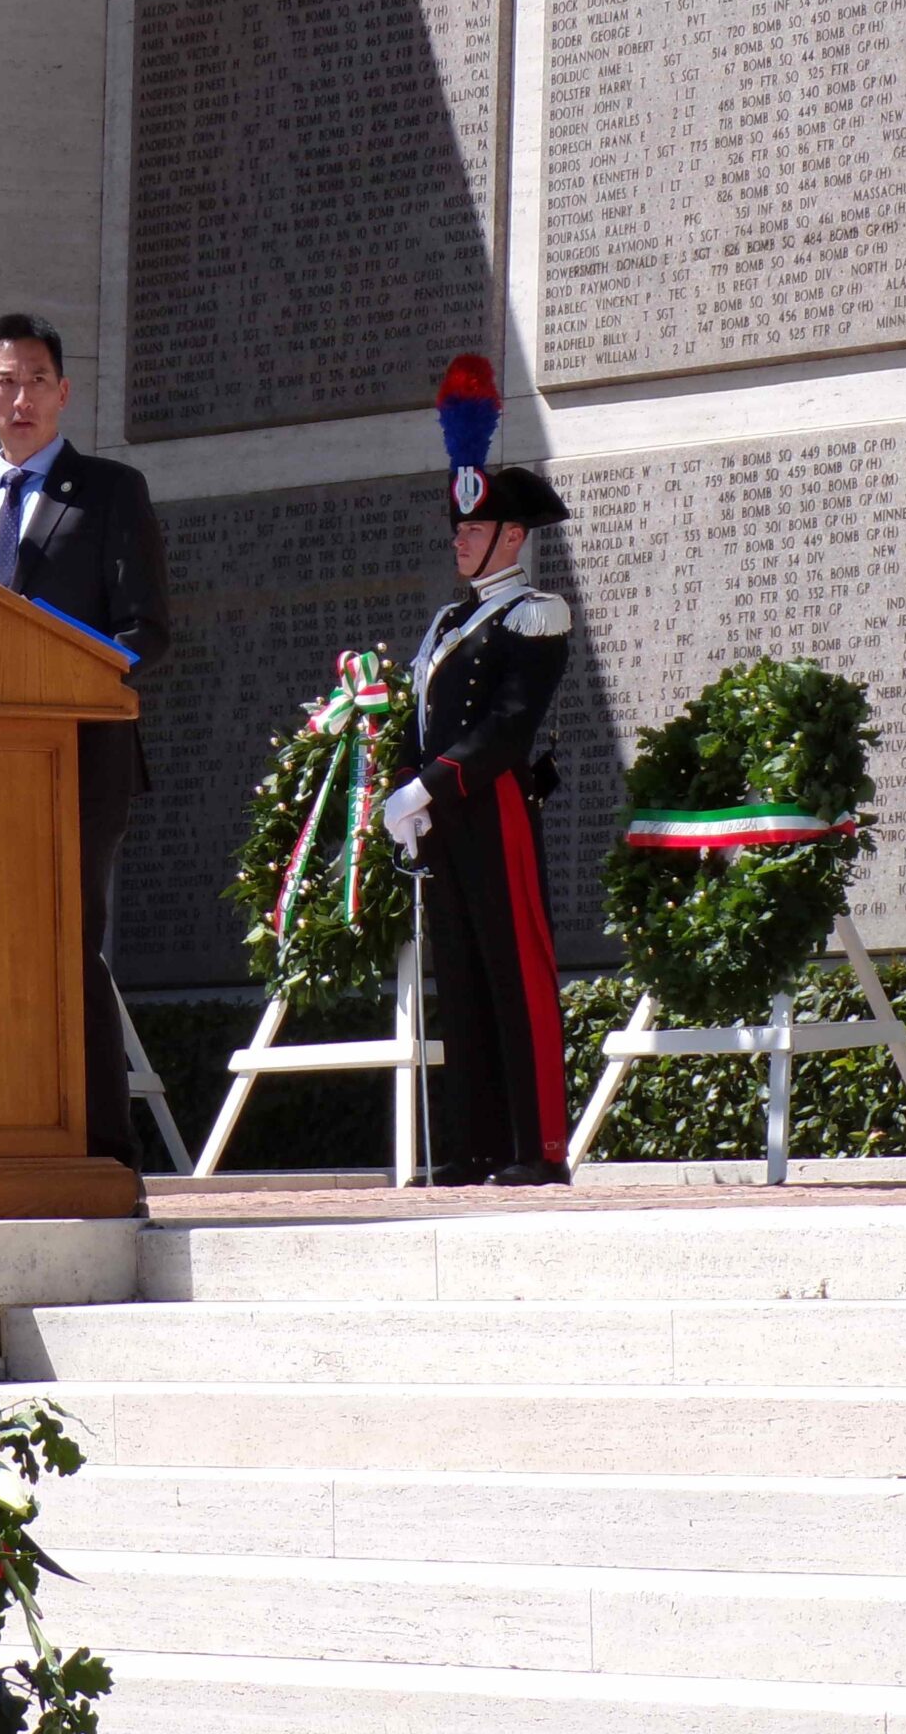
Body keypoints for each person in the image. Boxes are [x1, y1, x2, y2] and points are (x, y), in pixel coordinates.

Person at [0, 312, 171, 1171]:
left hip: (77, 759)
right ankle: (3, 1135)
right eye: (4, 381)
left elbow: (147, 631)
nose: (20, 397)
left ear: (63, 393)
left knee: (65, 943)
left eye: (36, 380)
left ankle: (104, 1150)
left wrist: (72, 673)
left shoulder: (108, 491)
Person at [383, 356, 574, 1187]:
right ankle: (476, 1143)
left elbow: (505, 729)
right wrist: (404, 782)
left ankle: (538, 1145)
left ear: (512, 536)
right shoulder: (449, 619)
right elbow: (416, 714)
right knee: (458, 971)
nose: (458, 540)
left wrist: (433, 784)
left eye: (473, 529)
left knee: (512, 969)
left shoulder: (535, 614)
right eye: (457, 529)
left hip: (491, 804)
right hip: (445, 813)